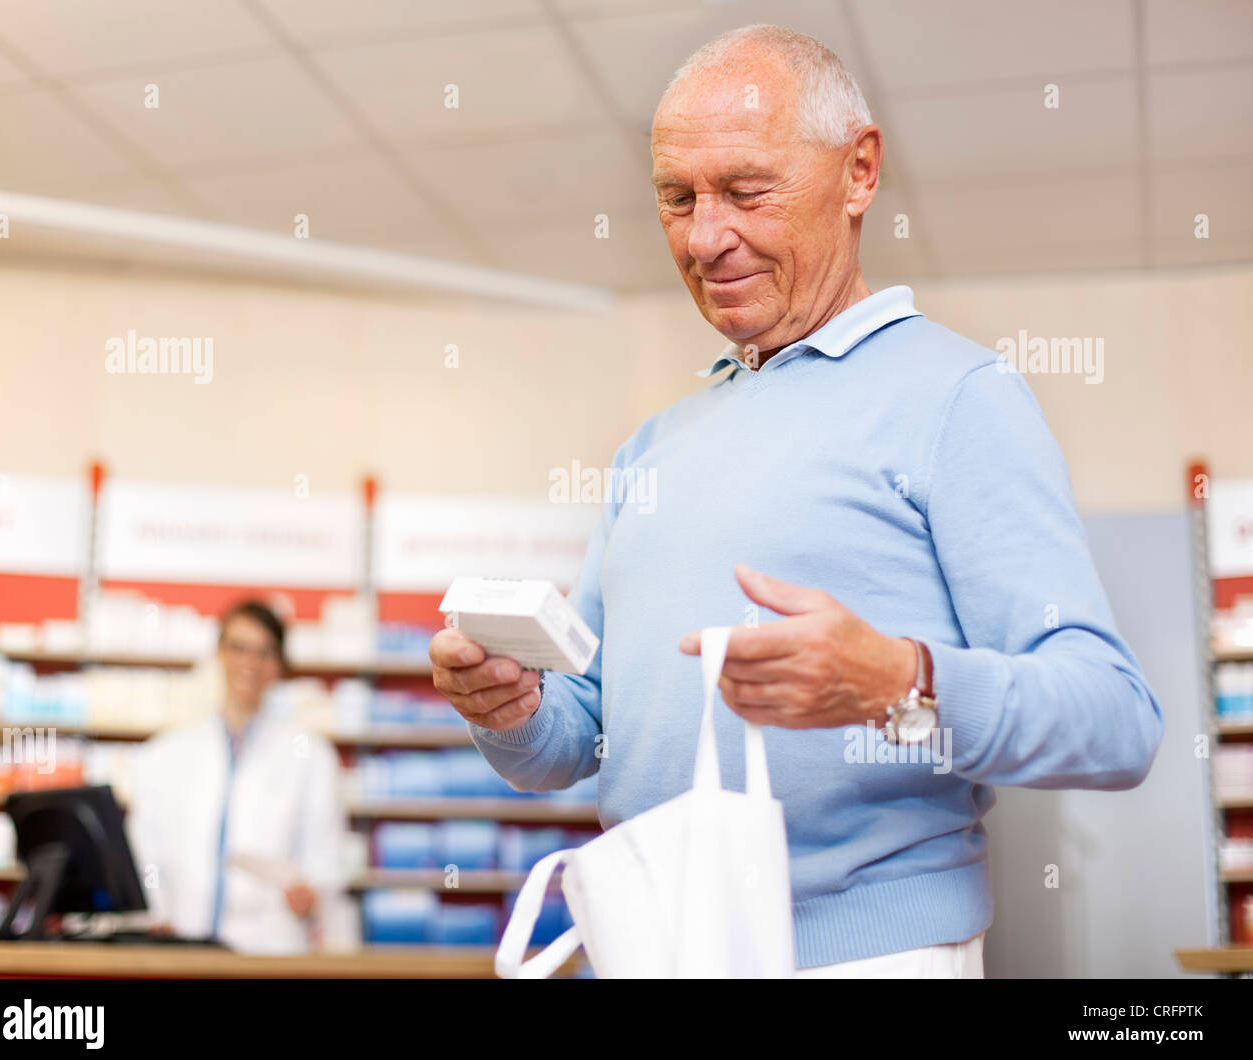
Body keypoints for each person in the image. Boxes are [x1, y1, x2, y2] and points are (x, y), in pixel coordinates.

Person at [429, 24, 1163, 978]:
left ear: (858, 172)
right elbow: (578, 740)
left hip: (866, 956)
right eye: (677, 198)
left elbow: (1115, 718)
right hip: (650, 944)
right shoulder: (651, 448)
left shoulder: (957, 397)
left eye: (746, 190)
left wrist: (901, 680)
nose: (704, 237)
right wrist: (508, 705)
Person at [128, 599, 348, 954]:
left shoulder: (312, 757)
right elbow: (145, 853)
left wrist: (313, 893)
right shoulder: (165, 754)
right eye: (238, 648)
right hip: (183, 947)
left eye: (264, 653)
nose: (250, 663)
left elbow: (326, 859)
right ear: (219, 653)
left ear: (279, 665)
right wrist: (156, 914)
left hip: (270, 950)